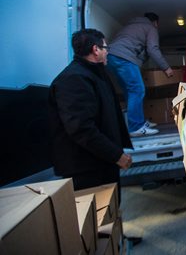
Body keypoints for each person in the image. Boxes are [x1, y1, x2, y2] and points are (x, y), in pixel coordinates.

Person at [48, 29, 133, 196]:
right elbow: (81, 128)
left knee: (111, 214)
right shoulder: (74, 80)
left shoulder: (96, 75)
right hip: (86, 169)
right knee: (96, 217)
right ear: (96, 49)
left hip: (102, 162)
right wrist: (116, 155)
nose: (108, 52)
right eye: (105, 48)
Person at [107, 12, 174, 137]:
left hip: (111, 57)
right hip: (124, 58)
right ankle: (136, 127)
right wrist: (166, 68)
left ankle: (140, 122)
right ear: (155, 22)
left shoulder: (130, 26)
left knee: (130, 91)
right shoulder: (150, 28)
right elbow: (153, 49)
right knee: (137, 90)